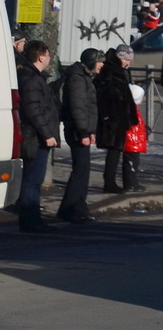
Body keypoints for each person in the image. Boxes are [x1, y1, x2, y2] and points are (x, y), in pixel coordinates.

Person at [15, 39, 60, 233]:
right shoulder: (32, 79)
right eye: (48, 55)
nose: (49, 59)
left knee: (34, 179)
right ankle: (29, 219)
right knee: (32, 180)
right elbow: (34, 110)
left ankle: (34, 218)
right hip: (35, 137)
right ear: (41, 56)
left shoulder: (33, 77)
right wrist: (47, 134)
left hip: (36, 135)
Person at [56, 47, 104, 223]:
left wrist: (89, 131)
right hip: (76, 130)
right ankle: (69, 208)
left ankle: (79, 207)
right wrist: (83, 131)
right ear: (91, 61)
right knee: (80, 170)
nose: (101, 66)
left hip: (81, 130)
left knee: (83, 170)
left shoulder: (84, 77)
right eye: (99, 62)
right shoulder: (77, 78)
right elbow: (78, 107)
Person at [95, 44, 139, 193]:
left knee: (116, 148)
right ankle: (109, 182)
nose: (129, 63)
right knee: (114, 148)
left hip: (117, 116)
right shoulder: (112, 71)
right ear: (121, 57)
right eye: (127, 59)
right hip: (114, 117)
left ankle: (110, 181)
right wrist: (110, 116)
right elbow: (109, 94)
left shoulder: (116, 70)